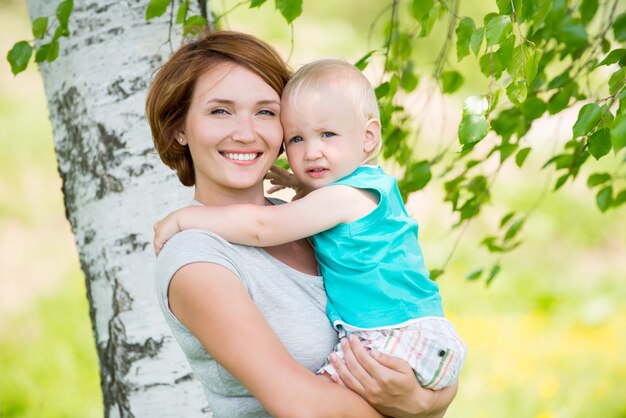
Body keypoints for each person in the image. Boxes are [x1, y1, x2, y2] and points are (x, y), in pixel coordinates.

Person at [147, 29, 458, 417]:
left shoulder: (310, 220)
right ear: (179, 128)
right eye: (220, 110)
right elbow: (304, 408)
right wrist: (417, 409)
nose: (246, 133)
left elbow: (417, 338)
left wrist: (423, 401)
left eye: (265, 112)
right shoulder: (197, 258)